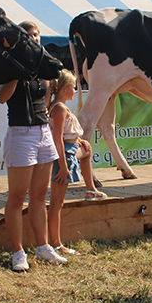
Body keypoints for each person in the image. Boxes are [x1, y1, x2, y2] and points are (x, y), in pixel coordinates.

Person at [0, 21, 66, 272]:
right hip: (20, 132)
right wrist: (18, 71)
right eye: (28, 36)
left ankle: (43, 246)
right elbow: (2, 97)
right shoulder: (9, 65)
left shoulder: (42, 67)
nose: (33, 39)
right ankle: (18, 252)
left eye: (36, 35)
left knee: (39, 196)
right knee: (16, 198)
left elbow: (46, 99)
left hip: (42, 130)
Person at [46, 69, 107, 257]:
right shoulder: (59, 109)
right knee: (57, 202)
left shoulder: (61, 107)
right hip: (63, 154)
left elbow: (66, 132)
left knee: (87, 150)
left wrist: (78, 140)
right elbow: (57, 139)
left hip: (71, 149)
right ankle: (55, 243)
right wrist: (63, 165)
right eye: (73, 87)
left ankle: (90, 189)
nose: (75, 90)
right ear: (65, 89)